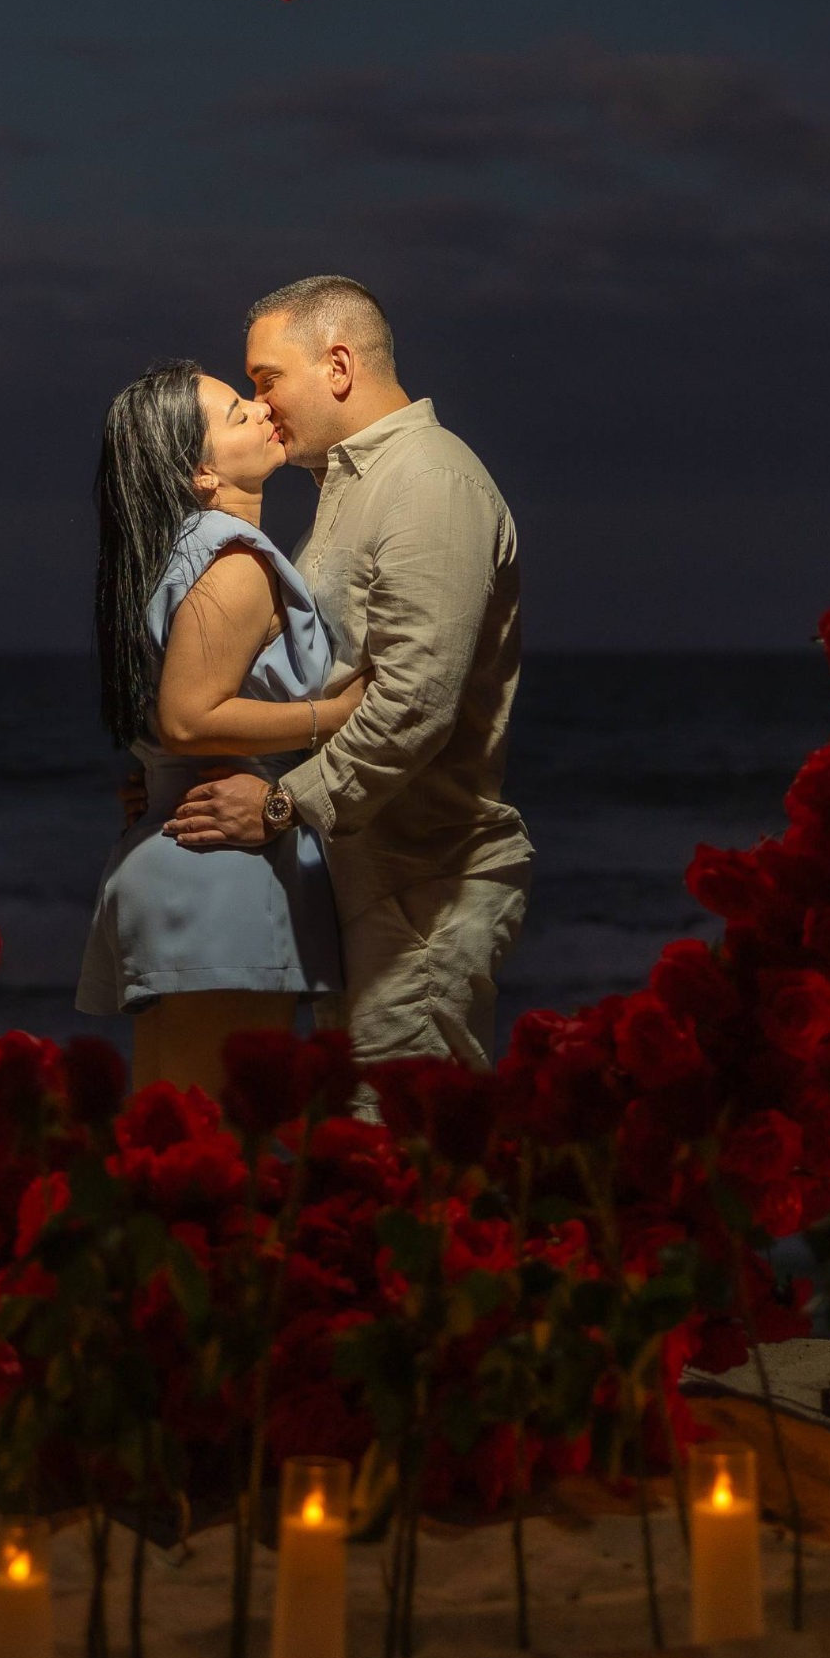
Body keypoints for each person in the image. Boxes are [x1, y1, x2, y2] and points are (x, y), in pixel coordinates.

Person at [164, 276, 530, 1074]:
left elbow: (414, 705)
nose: (262, 406)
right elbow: (318, 681)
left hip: (422, 890)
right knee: (353, 1156)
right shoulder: (351, 489)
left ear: (337, 365)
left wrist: (278, 803)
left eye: (268, 380)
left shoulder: (429, 483)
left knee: (405, 1153)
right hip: (359, 878)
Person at [77, 359, 367, 1099]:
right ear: (201, 474)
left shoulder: (180, 558)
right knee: (214, 1151)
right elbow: (187, 717)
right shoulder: (232, 561)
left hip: (182, 856)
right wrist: (332, 715)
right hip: (221, 876)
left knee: (173, 1138)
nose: (265, 410)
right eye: (240, 413)